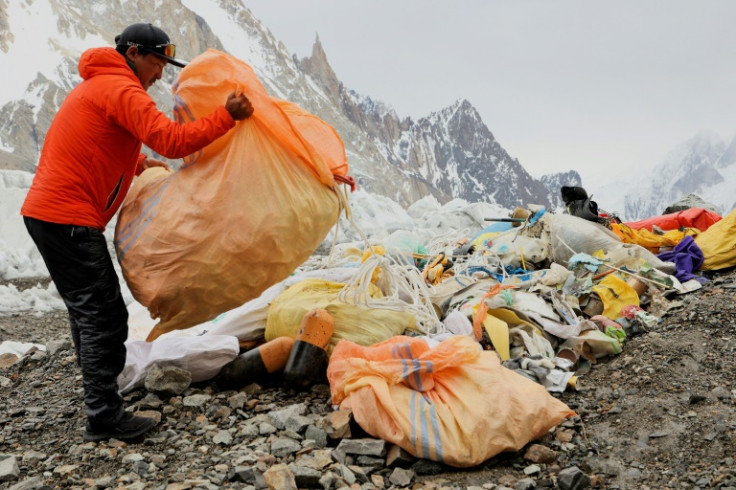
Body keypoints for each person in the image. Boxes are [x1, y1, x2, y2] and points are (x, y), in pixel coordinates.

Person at [20, 22, 253, 442]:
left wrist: (136, 166)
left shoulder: (102, 86)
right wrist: (226, 117)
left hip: (49, 214)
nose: (161, 73)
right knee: (105, 315)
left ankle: (100, 396)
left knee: (87, 310)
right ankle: (104, 415)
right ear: (133, 53)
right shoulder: (121, 88)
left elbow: (96, 148)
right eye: (158, 61)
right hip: (68, 217)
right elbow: (171, 138)